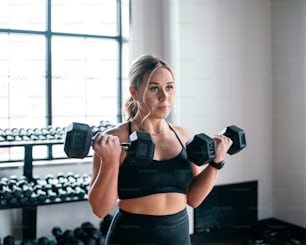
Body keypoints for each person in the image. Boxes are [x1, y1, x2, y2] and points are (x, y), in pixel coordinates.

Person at [88, 54, 233, 245]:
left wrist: (216, 163)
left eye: (169, 87)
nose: (164, 97)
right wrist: (110, 161)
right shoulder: (115, 139)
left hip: (178, 238)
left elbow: (193, 199)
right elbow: (100, 209)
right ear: (135, 92)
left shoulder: (183, 136)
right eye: (154, 88)